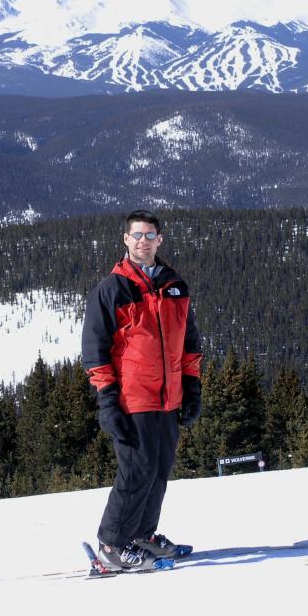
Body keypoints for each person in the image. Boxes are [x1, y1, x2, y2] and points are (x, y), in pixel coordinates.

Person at [82, 209, 203, 570]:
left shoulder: (174, 284)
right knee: (138, 471)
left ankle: (141, 536)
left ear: (159, 240)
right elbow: (95, 350)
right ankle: (111, 548)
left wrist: (192, 386)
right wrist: (107, 401)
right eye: (137, 235)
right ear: (126, 240)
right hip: (133, 397)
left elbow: (189, 341)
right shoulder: (112, 289)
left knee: (160, 468)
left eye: (150, 235)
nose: (143, 241)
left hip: (169, 396)